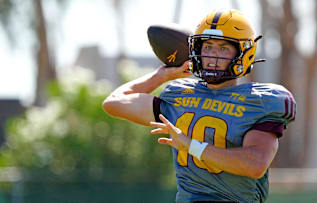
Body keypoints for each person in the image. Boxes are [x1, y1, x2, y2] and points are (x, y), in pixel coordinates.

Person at [103, 9, 296, 203]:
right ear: (197, 50)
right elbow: (113, 102)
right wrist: (161, 76)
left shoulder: (258, 100)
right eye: (208, 47)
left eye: (223, 48)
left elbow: (255, 164)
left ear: (243, 54)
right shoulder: (179, 96)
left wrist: (190, 145)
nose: (213, 56)